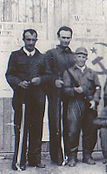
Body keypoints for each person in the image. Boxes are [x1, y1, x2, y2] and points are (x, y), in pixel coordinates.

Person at [6, 29, 48, 170]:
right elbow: (9, 75)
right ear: (23, 40)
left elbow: (49, 76)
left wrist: (40, 79)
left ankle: (35, 159)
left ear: (36, 40)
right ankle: (19, 161)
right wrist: (19, 83)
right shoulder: (15, 56)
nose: (31, 43)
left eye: (33, 40)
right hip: (22, 99)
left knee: (37, 130)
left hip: (38, 99)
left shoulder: (42, 57)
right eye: (28, 39)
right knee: (21, 130)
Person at [63, 47, 101, 167]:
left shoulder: (91, 72)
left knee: (91, 130)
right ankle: (72, 157)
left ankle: (87, 155)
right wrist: (75, 90)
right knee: (73, 130)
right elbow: (65, 90)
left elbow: (98, 88)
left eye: (83, 57)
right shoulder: (68, 72)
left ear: (86, 58)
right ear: (75, 57)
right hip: (75, 103)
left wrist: (95, 101)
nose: (81, 59)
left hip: (89, 104)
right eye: (79, 56)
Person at [44, 26, 75, 165]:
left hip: (69, 95)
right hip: (55, 95)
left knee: (69, 125)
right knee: (56, 125)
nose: (66, 40)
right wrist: (54, 80)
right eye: (63, 37)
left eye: (68, 38)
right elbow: (45, 72)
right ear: (58, 37)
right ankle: (57, 156)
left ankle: (69, 155)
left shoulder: (73, 55)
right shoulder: (51, 54)